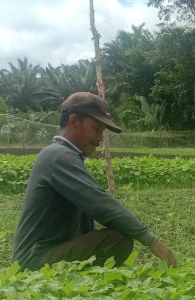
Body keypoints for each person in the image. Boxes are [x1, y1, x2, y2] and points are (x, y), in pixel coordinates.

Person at [12, 92, 177, 270]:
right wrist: (151, 240)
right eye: (97, 129)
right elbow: (101, 205)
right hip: (33, 261)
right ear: (74, 122)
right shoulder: (58, 156)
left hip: (45, 255)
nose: (100, 138)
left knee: (115, 239)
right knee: (116, 240)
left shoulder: (65, 155)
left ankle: (87, 281)